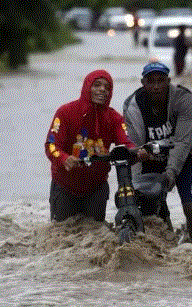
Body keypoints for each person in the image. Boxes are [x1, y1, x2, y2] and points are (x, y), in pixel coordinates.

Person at [123, 62, 192, 245]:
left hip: (187, 156)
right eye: (151, 81)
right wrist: (135, 186)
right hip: (151, 158)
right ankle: (167, 247)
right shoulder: (133, 106)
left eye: (161, 81)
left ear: (168, 81)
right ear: (142, 83)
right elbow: (135, 148)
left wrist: (171, 173)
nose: (156, 87)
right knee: (152, 212)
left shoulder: (184, 99)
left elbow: (182, 141)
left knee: (191, 207)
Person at [45, 69, 135, 222]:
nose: (102, 90)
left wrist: (137, 152)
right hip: (64, 185)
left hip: (96, 188)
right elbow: (51, 145)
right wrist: (65, 159)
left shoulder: (115, 118)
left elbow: (126, 143)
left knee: (95, 235)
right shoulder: (65, 112)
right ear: (87, 87)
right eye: (97, 85)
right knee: (61, 236)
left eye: (107, 87)